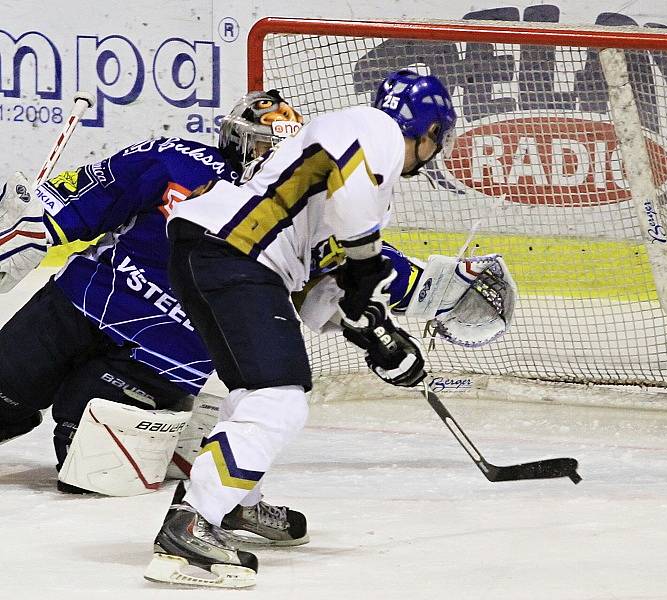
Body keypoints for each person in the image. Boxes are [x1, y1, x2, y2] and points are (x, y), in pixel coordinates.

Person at [142, 69, 458, 588]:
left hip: (216, 254)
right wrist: (367, 269)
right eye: (436, 139)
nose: (435, 150)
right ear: (428, 132)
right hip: (233, 256)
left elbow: (315, 295)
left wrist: (374, 332)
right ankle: (191, 527)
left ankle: (235, 505)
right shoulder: (371, 130)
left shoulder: (359, 169)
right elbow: (356, 227)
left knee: (250, 391)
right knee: (278, 399)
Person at [0, 91, 312, 543]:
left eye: (276, 148)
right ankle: (184, 432)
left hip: (164, 356)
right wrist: (28, 227)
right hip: (80, 301)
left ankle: (189, 438)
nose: (266, 156)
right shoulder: (174, 160)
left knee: (87, 467)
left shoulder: (294, 215)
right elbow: (83, 198)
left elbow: (357, 264)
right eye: (260, 143)